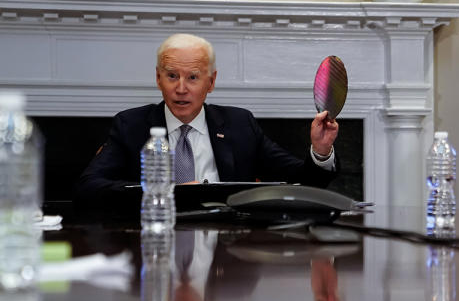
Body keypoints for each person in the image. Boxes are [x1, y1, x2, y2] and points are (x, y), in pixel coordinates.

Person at [75, 33, 339, 208]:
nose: (181, 88)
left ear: (211, 82)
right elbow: (89, 187)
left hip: (227, 245)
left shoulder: (239, 123)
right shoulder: (132, 125)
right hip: (156, 239)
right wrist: (161, 191)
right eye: (171, 76)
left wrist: (320, 151)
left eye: (192, 77)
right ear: (158, 79)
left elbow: (303, 183)